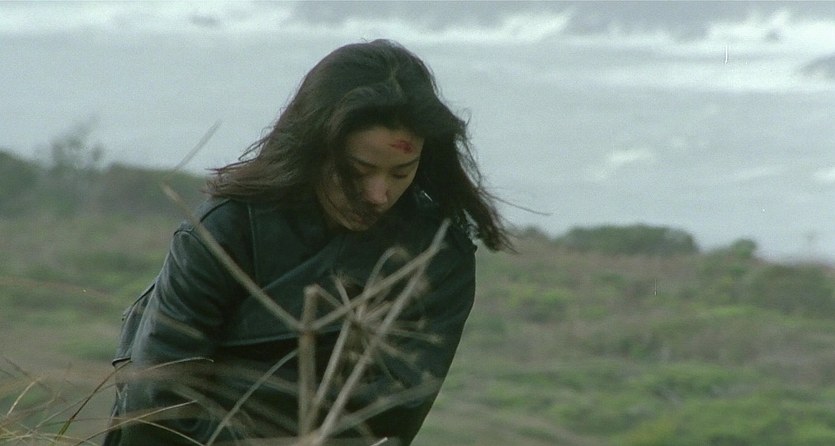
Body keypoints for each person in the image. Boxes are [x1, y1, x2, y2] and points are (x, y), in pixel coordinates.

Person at [103, 39, 511, 446]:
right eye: (358, 171)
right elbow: (155, 404)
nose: (378, 194)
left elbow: (389, 419)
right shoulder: (227, 227)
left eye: (401, 173)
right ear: (314, 149)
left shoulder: (436, 255)